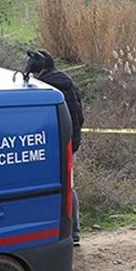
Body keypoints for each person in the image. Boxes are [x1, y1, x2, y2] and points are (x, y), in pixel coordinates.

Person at [27, 49, 84, 245]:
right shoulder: (69, 83)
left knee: (51, 185)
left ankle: (51, 230)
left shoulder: (43, 87)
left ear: (40, 68)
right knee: (68, 185)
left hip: (54, 143)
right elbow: (80, 115)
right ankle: (73, 232)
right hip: (70, 141)